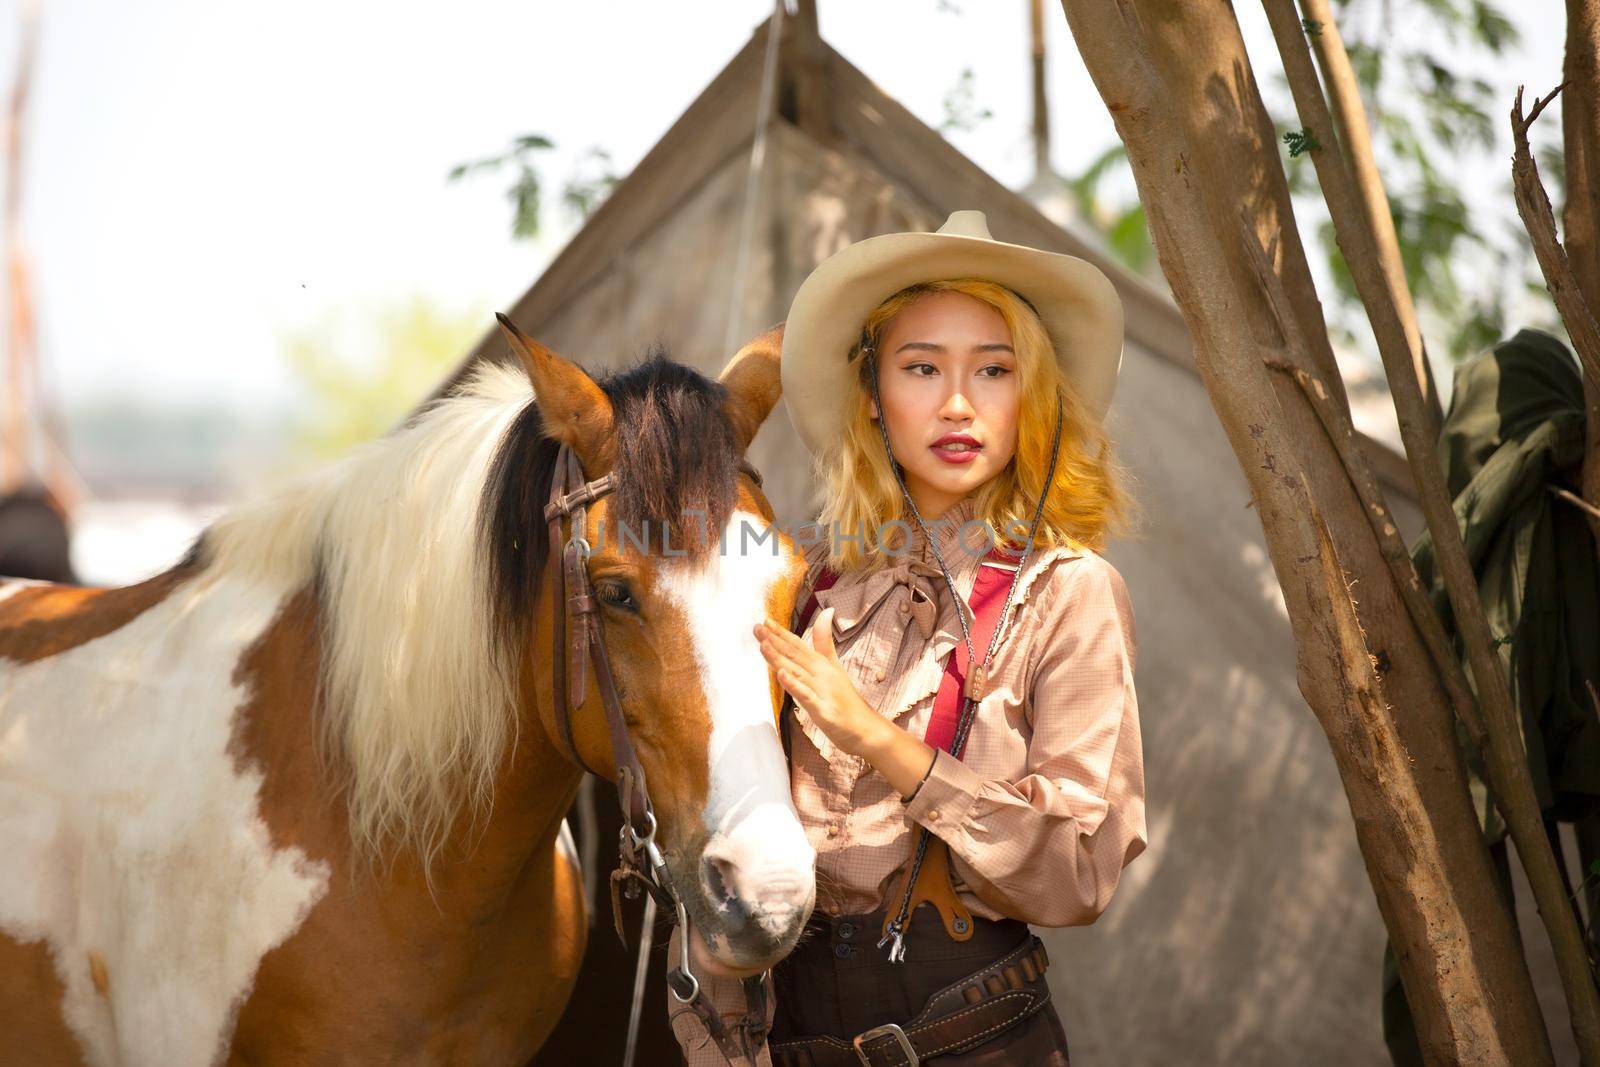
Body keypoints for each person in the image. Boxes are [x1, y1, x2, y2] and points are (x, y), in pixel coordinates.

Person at [666, 210, 1149, 1066]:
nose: (957, 403)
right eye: (921, 367)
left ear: (1029, 395)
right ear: (874, 399)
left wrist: (877, 740)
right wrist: (717, 1035)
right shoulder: (798, 581)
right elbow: (712, 799)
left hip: (980, 1038)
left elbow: (1079, 871)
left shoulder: (1071, 592)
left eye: (993, 371)